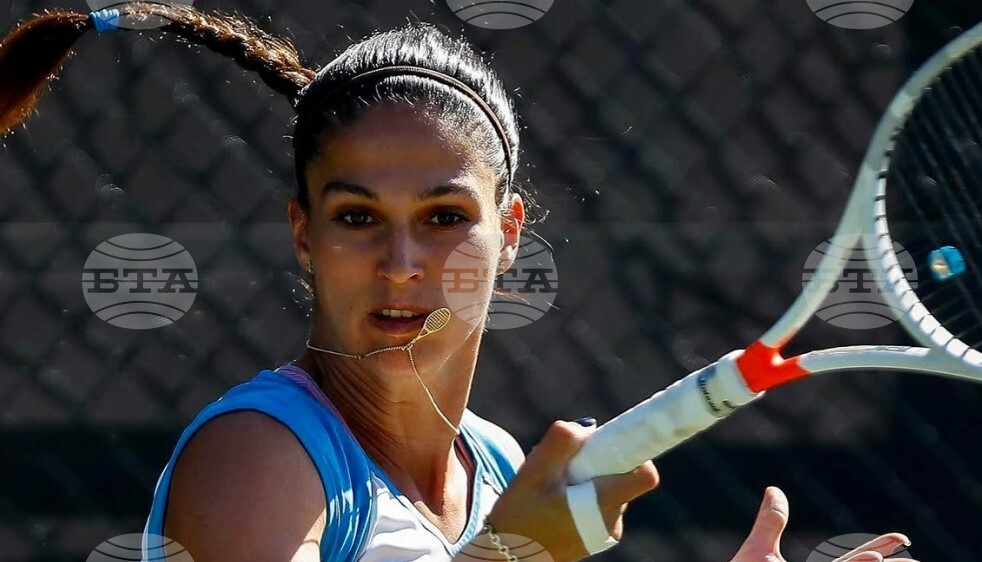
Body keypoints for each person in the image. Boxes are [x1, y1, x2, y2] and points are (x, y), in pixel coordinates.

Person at [0, 4, 918, 561]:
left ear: (507, 234)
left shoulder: (499, 467)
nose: (401, 264)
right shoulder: (256, 458)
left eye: (444, 218)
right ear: (303, 234)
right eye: (356, 217)